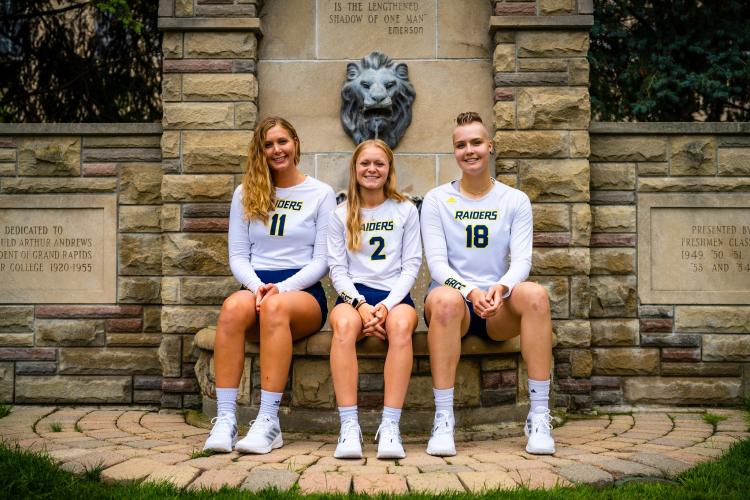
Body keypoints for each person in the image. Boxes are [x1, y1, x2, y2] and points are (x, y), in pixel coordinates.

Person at [420, 112, 555, 456]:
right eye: (461, 144)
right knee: (447, 300)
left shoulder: (514, 200)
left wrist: (501, 288)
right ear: (454, 152)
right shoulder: (437, 200)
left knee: (537, 295)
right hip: (454, 302)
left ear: (490, 146)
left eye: (476, 142)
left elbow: (522, 261)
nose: (470, 150)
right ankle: (443, 420)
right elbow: (437, 265)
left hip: (497, 306)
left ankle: (539, 416)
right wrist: (470, 291)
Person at [203, 116, 336, 454]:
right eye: (268, 144)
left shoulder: (320, 193)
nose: (277, 150)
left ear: (295, 143)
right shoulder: (245, 192)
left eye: (282, 142)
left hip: (302, 293)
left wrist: (281, 288)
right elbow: (238, 256)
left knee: (275, 306)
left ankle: (268, 422)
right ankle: (226, 419)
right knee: (232, 307)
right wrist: (258, 286)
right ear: (260, 151)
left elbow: (322, 261)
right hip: (258, 286)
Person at [327, 139, 421, 459]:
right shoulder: (340, 213)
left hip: (394, 296)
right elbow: (338, 272)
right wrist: (362, 306)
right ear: (355, 169)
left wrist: (385, 307)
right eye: (365, 163)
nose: (372, 169)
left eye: (379, 164)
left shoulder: (406, 210)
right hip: (355, 297)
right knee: (342, 327)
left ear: (389, 169)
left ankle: (390, 427)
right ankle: (349, 427)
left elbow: (411, 267)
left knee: (402, 327)